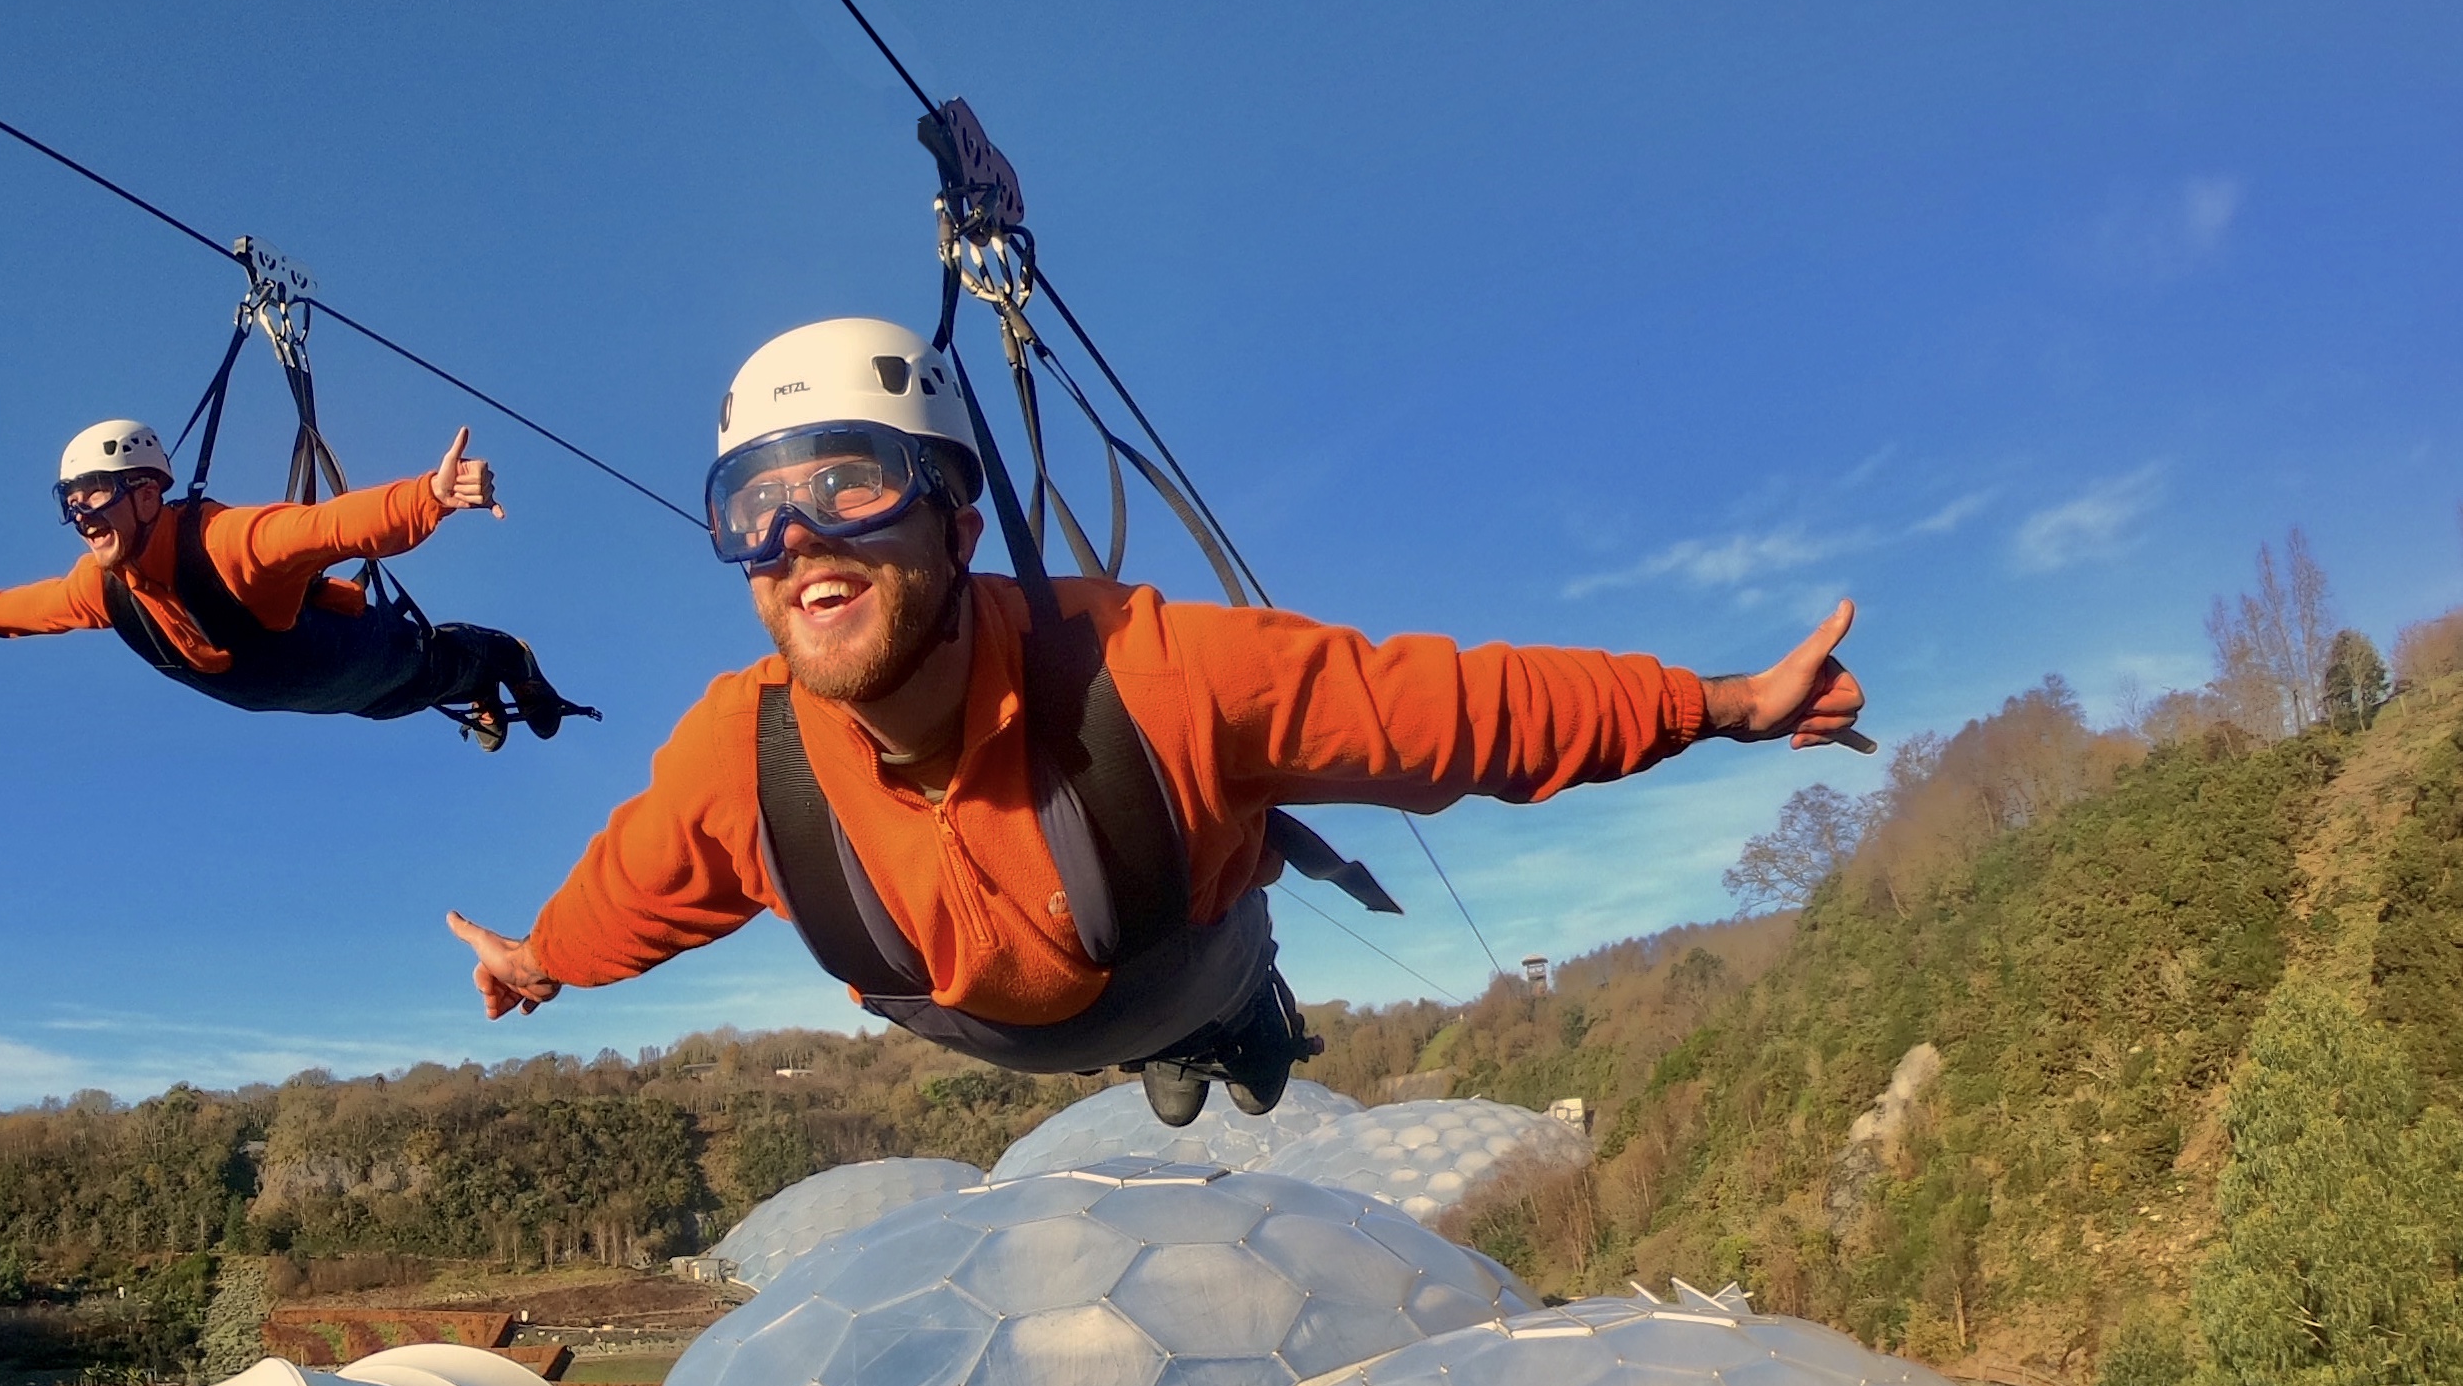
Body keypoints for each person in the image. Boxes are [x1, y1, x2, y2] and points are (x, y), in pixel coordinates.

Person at [445, 318, 1869, 1121]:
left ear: (954, 520)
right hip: (986, 1027)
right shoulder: (741, 761)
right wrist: (536, 959)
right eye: (751, 509)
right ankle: (1190, 1040)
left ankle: (1239, 1023)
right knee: (1013, 958)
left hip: (1179, 957)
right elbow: (634, 888)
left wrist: (1719, 706)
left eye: (851, 484)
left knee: (1196, 961)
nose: (799, 535)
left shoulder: (1151, 670)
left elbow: (1451, 711)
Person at [0, 420, 590, 751]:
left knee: (423, 668)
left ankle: (509, 658)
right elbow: (42, 605)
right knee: (393, 704)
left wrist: (430, 496)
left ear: (147, 494)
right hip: (322, 694)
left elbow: (330, 527)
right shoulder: (103, 586)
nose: (82, 516)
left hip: (350, 653)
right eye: (70, 503)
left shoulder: (227, 544)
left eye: (95, 495)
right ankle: (477, 688)